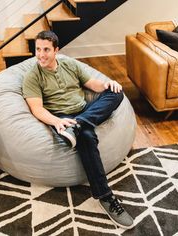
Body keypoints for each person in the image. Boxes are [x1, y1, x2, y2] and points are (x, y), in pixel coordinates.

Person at [22, 30, 134, 229]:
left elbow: (93, 84)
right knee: (87, 137)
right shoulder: (33, 76)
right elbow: (37, 109)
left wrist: (109, 83)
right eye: (38, 49)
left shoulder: (70, 64)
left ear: (56, 50)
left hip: (84, 111)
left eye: (46, 49)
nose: (41, 54)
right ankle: (106, 197)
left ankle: (81, 124)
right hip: (62, 118)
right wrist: (56, 122)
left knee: (116, 93)